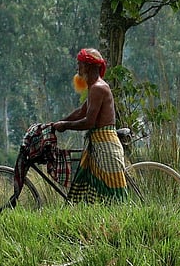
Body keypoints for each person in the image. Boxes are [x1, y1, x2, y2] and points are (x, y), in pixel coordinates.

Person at [52, 48, 128, 203]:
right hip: (97, 143)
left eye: (79, 64)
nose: (77, 68)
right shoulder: (94, 87)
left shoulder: (98, 88)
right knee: (88, 181)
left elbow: (89, 122)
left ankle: (121, 215)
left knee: (112, 189)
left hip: (105, 143)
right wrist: (58, 123)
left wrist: (65, 126)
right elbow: (82, 111)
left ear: (87, 66)